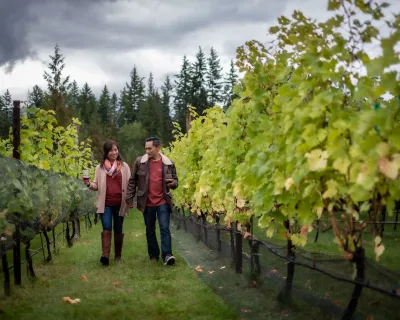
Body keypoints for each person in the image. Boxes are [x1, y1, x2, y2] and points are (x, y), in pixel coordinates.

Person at [126, 136, 178, 266]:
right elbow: (132, 181)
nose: (147, 151)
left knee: (164, 227)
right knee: (150, 229)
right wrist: (129, 198)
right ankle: (153, 254)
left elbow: (176, 181)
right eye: (146, 148)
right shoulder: (140, 162)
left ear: (157, 148)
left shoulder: (168, 163)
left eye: (150, 148)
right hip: (147, 202)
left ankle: (167, 255)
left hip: (163, 201)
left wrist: (173, 183)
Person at [84, 140, 131, 266]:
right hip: (105, 204)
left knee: (118, 228)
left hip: (120, 203)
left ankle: (118, 256)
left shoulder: (124, 167)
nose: (114, 152)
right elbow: (96, 186)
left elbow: (130, 185)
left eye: (116, 149)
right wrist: (89, 184)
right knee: (106, 227)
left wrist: (130, 200)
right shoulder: (100, 168)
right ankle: (105, 256)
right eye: (111, 150)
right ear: (106, 152)